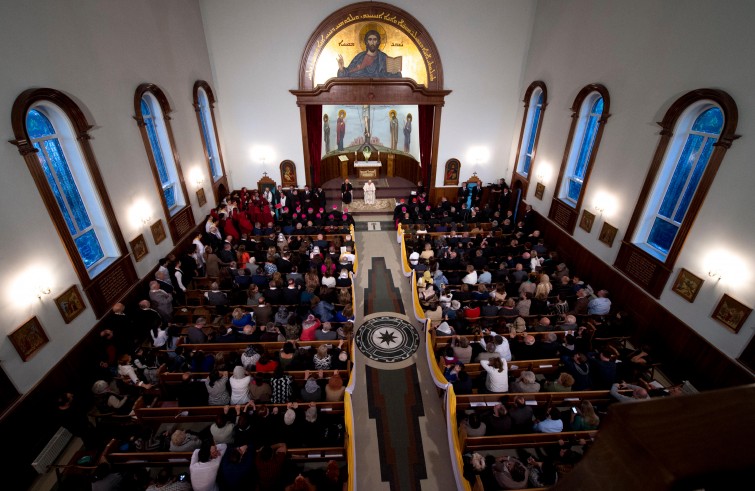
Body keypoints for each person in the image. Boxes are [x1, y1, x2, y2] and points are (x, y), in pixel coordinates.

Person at [336, 29, 401, 78]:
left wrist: (396, 71)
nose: (372, 42)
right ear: (366, 42)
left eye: (375, 39)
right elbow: (347, 73)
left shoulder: (383, 57)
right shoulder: (359, 57)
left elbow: (392, 76)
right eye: (370, 39)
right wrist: (341, 69)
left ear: (378, 42)